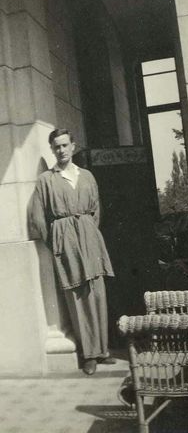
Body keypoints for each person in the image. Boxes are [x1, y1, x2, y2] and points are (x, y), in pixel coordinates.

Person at [30, 128, 116, 375]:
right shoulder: (46, 180)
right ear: (52, 149)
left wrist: (88, 231)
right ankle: (88, 354)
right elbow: (38, 217)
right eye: (56, 146)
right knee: (78, 295)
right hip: (65, 239)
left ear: (73, 146)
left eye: (65, 145)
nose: (61, 150)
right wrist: (59, 240)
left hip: (90, 238)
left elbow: (96, 210)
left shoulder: (86, 175)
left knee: (97, 292)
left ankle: (102, 351)